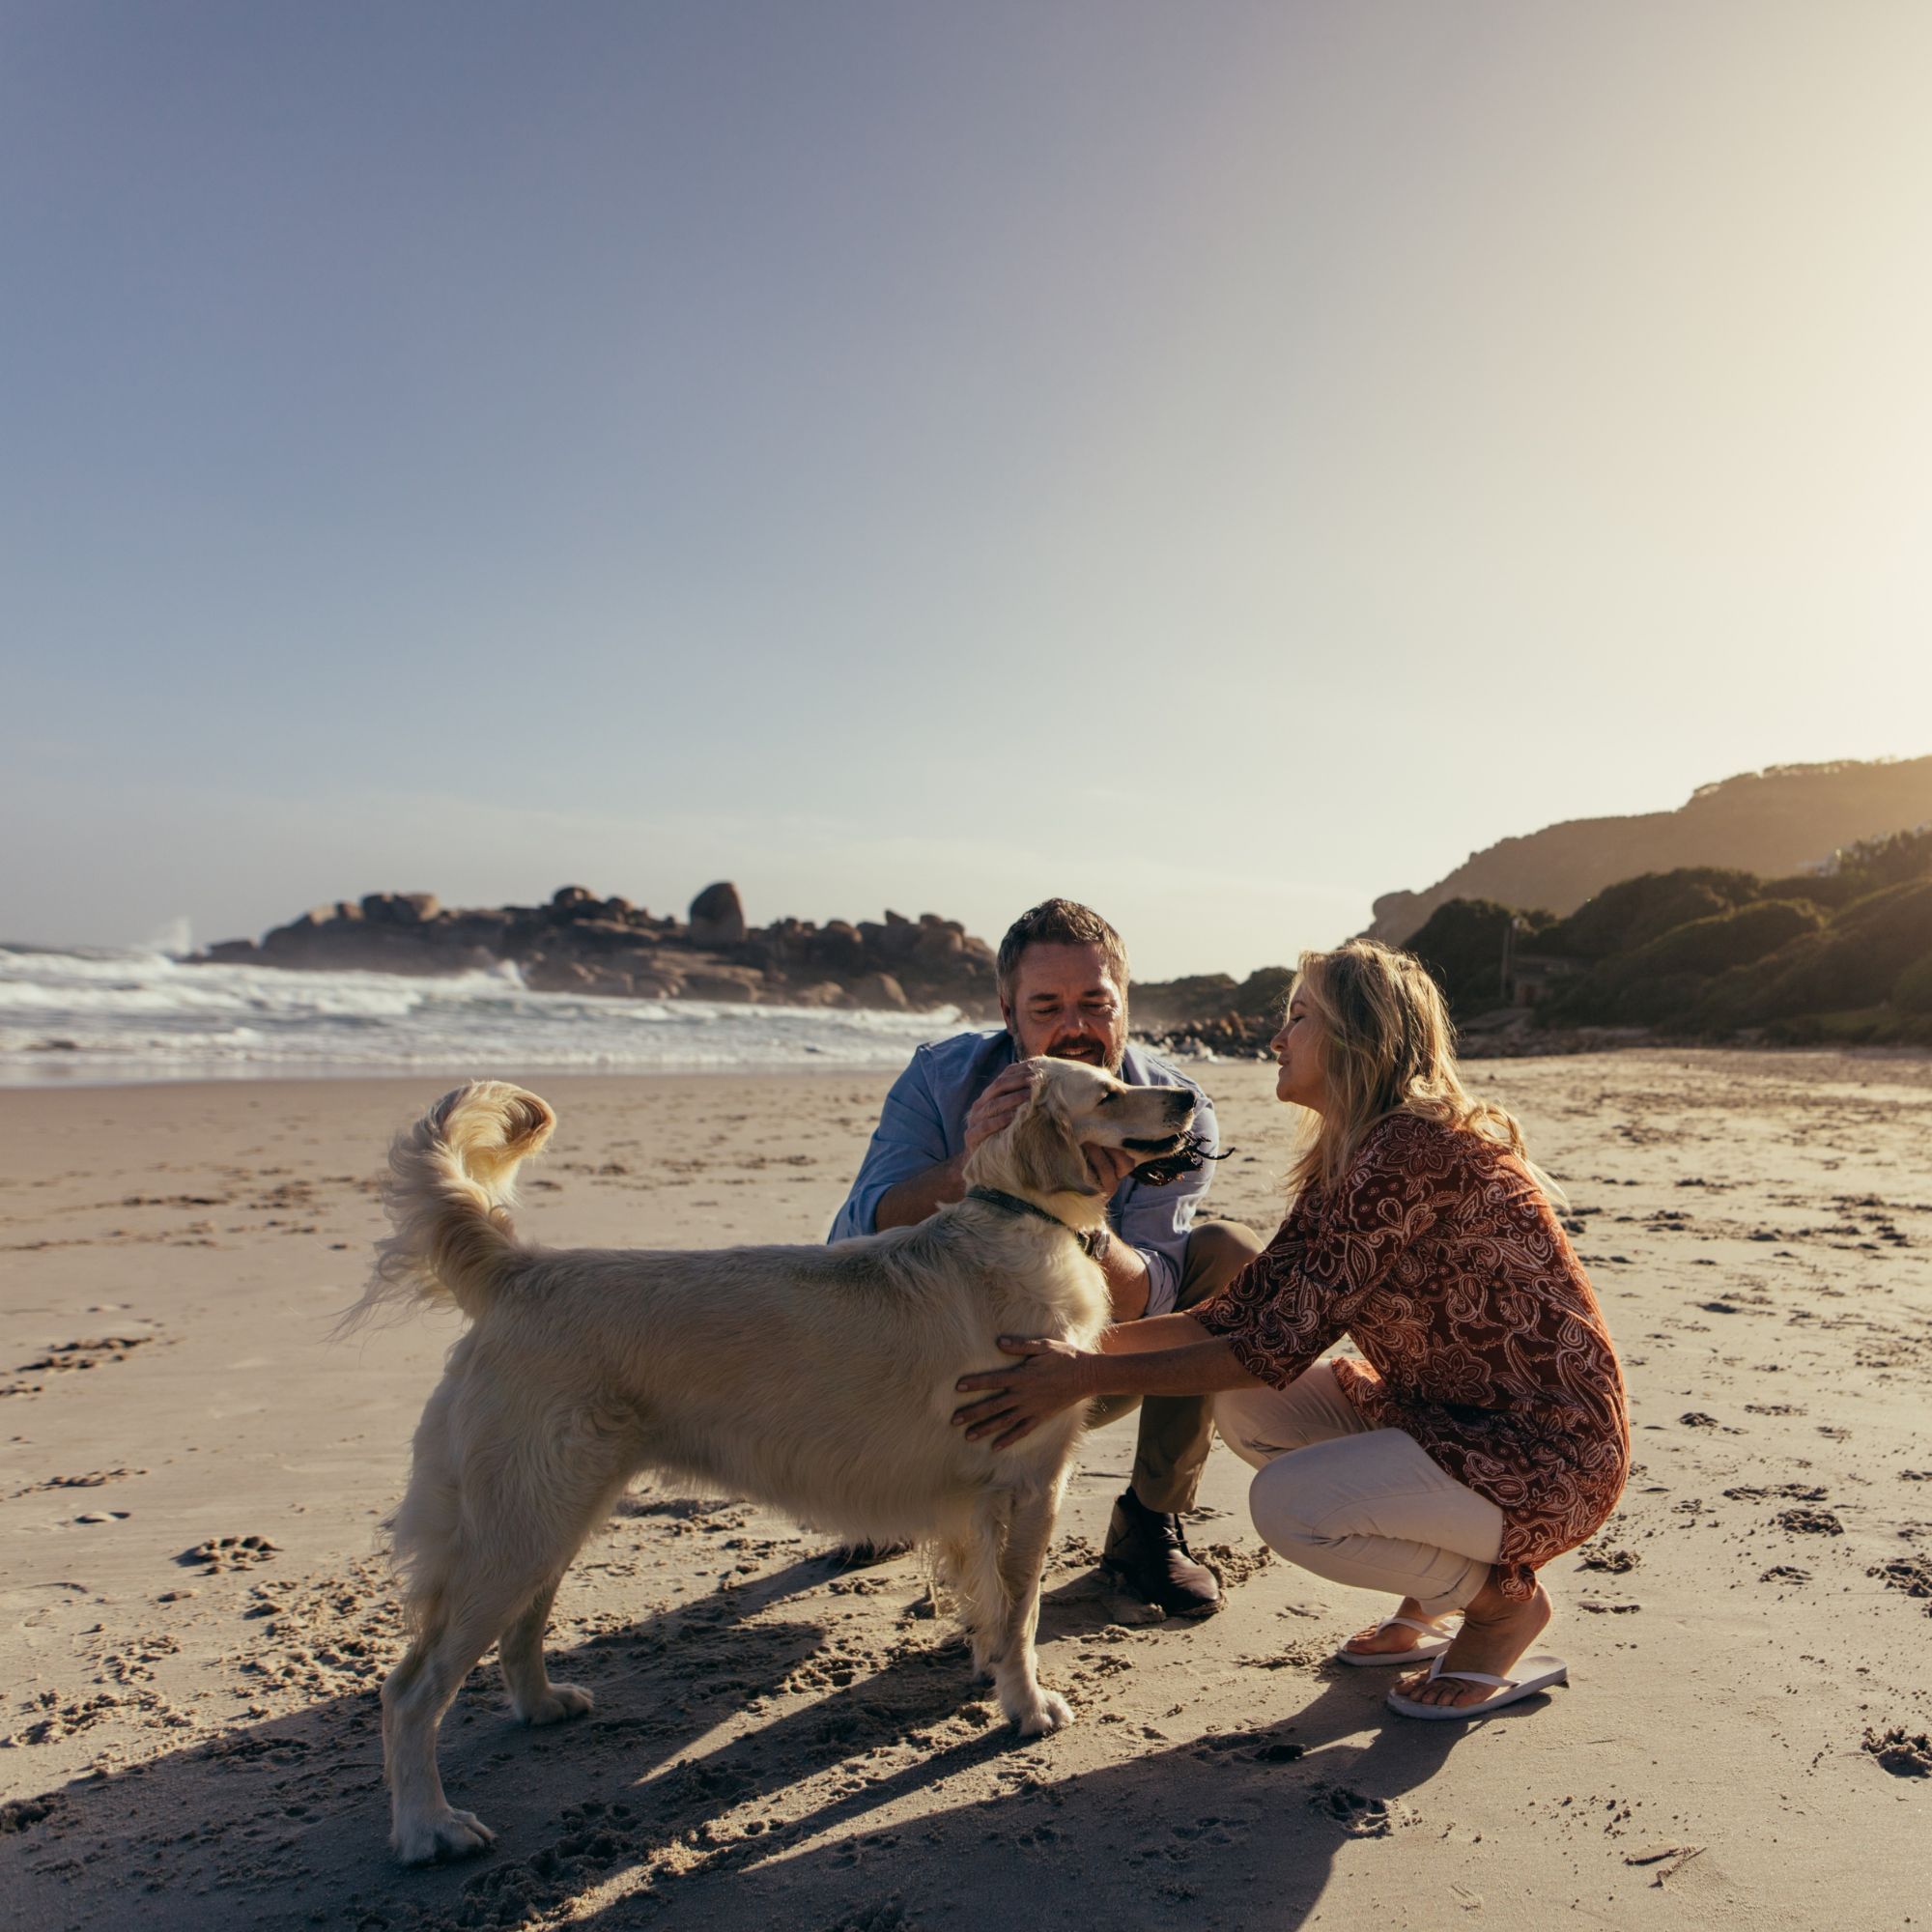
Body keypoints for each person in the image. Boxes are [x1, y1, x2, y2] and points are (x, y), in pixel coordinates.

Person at [952, 937, 1631, 1719]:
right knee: (1246, 1408)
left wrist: (1080, 1377)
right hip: (1448, 1421)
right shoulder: (1356, 1152)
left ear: (1356, 1038)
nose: (1277, 1039)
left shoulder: (1408, 1154)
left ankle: (1499, 1606)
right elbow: (1235, 1314)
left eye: (1298, 1018)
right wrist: (1071, 1352)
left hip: (1545, 1455)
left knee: (1290, 1506)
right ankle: (1432, 1593)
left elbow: (1269, 1348)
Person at [830, 898, 1263, 1614]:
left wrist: (1083, 1218)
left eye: (1095, 1003)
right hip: (939, 1360)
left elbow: (1152, 1299)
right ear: (1009, 1012)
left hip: (1083, 1358)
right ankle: (898, 1494)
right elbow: (856, 1235)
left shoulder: (1169, 1109)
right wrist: (975, 1159)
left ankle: (1149, 1524)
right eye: (1047, 1006)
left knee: (1227, 1255)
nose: (1074, 1027)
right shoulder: (942, 1078)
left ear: (1125, 1003)